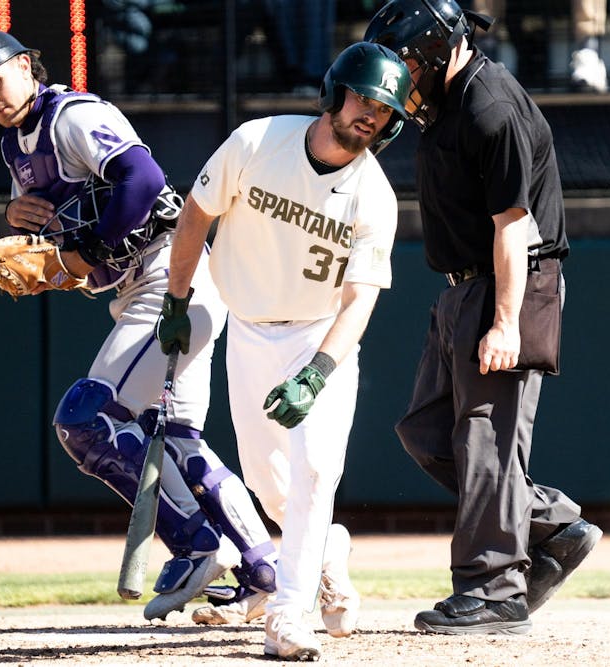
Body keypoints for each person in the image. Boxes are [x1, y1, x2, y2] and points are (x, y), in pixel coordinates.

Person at [0, 29, 279, 623]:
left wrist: (76, 259)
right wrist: (19, 214)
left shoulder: (72, 113)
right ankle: (261, 571)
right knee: (176, 439)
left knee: (85, 422)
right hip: (145, 290)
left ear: (26, 65)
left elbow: (144, 181)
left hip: (170, 278)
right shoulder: (15, 147)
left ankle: (196, 546)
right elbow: (61, 226)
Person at [155, 42, 410, 661]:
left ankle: (290, 613)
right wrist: (176, 300)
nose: (371, 115)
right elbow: (195, 218)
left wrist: (318, 373)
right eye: (364, 99)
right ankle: (328, 550)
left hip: (318, 336)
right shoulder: (256, 141)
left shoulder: (376, 197)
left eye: (385, 109)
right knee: (271, 489)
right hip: (247, 329)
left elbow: (358, 300)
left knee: (317, 468)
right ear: (334, 94)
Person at [365, 0, 602, 634]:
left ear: (439, 50)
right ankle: (553, 524)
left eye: (407, 62)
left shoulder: (488, 106)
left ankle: (494, 591)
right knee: (425, 430)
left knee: (484, 439)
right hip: (460, 287)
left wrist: (505, 323)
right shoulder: (443, 103)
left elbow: (513, 229)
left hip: (510, 282)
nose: (401, 77)